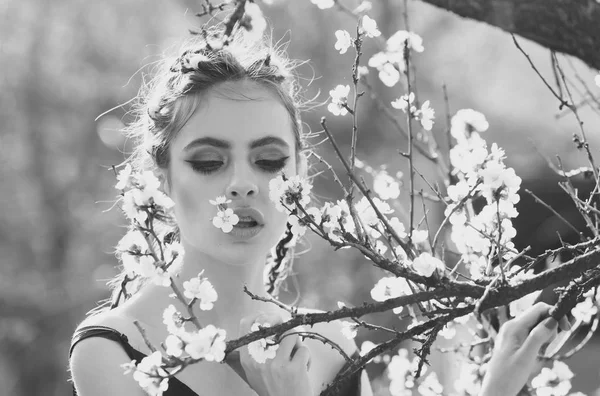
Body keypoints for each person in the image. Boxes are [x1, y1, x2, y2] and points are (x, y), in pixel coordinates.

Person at [68, 25, 561, 396]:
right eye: (208, 162)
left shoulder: (332, 342)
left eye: (268, 161)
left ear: (298, 178)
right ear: (161, 179)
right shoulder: (113, 353)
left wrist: (498, 384)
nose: (243, 184)